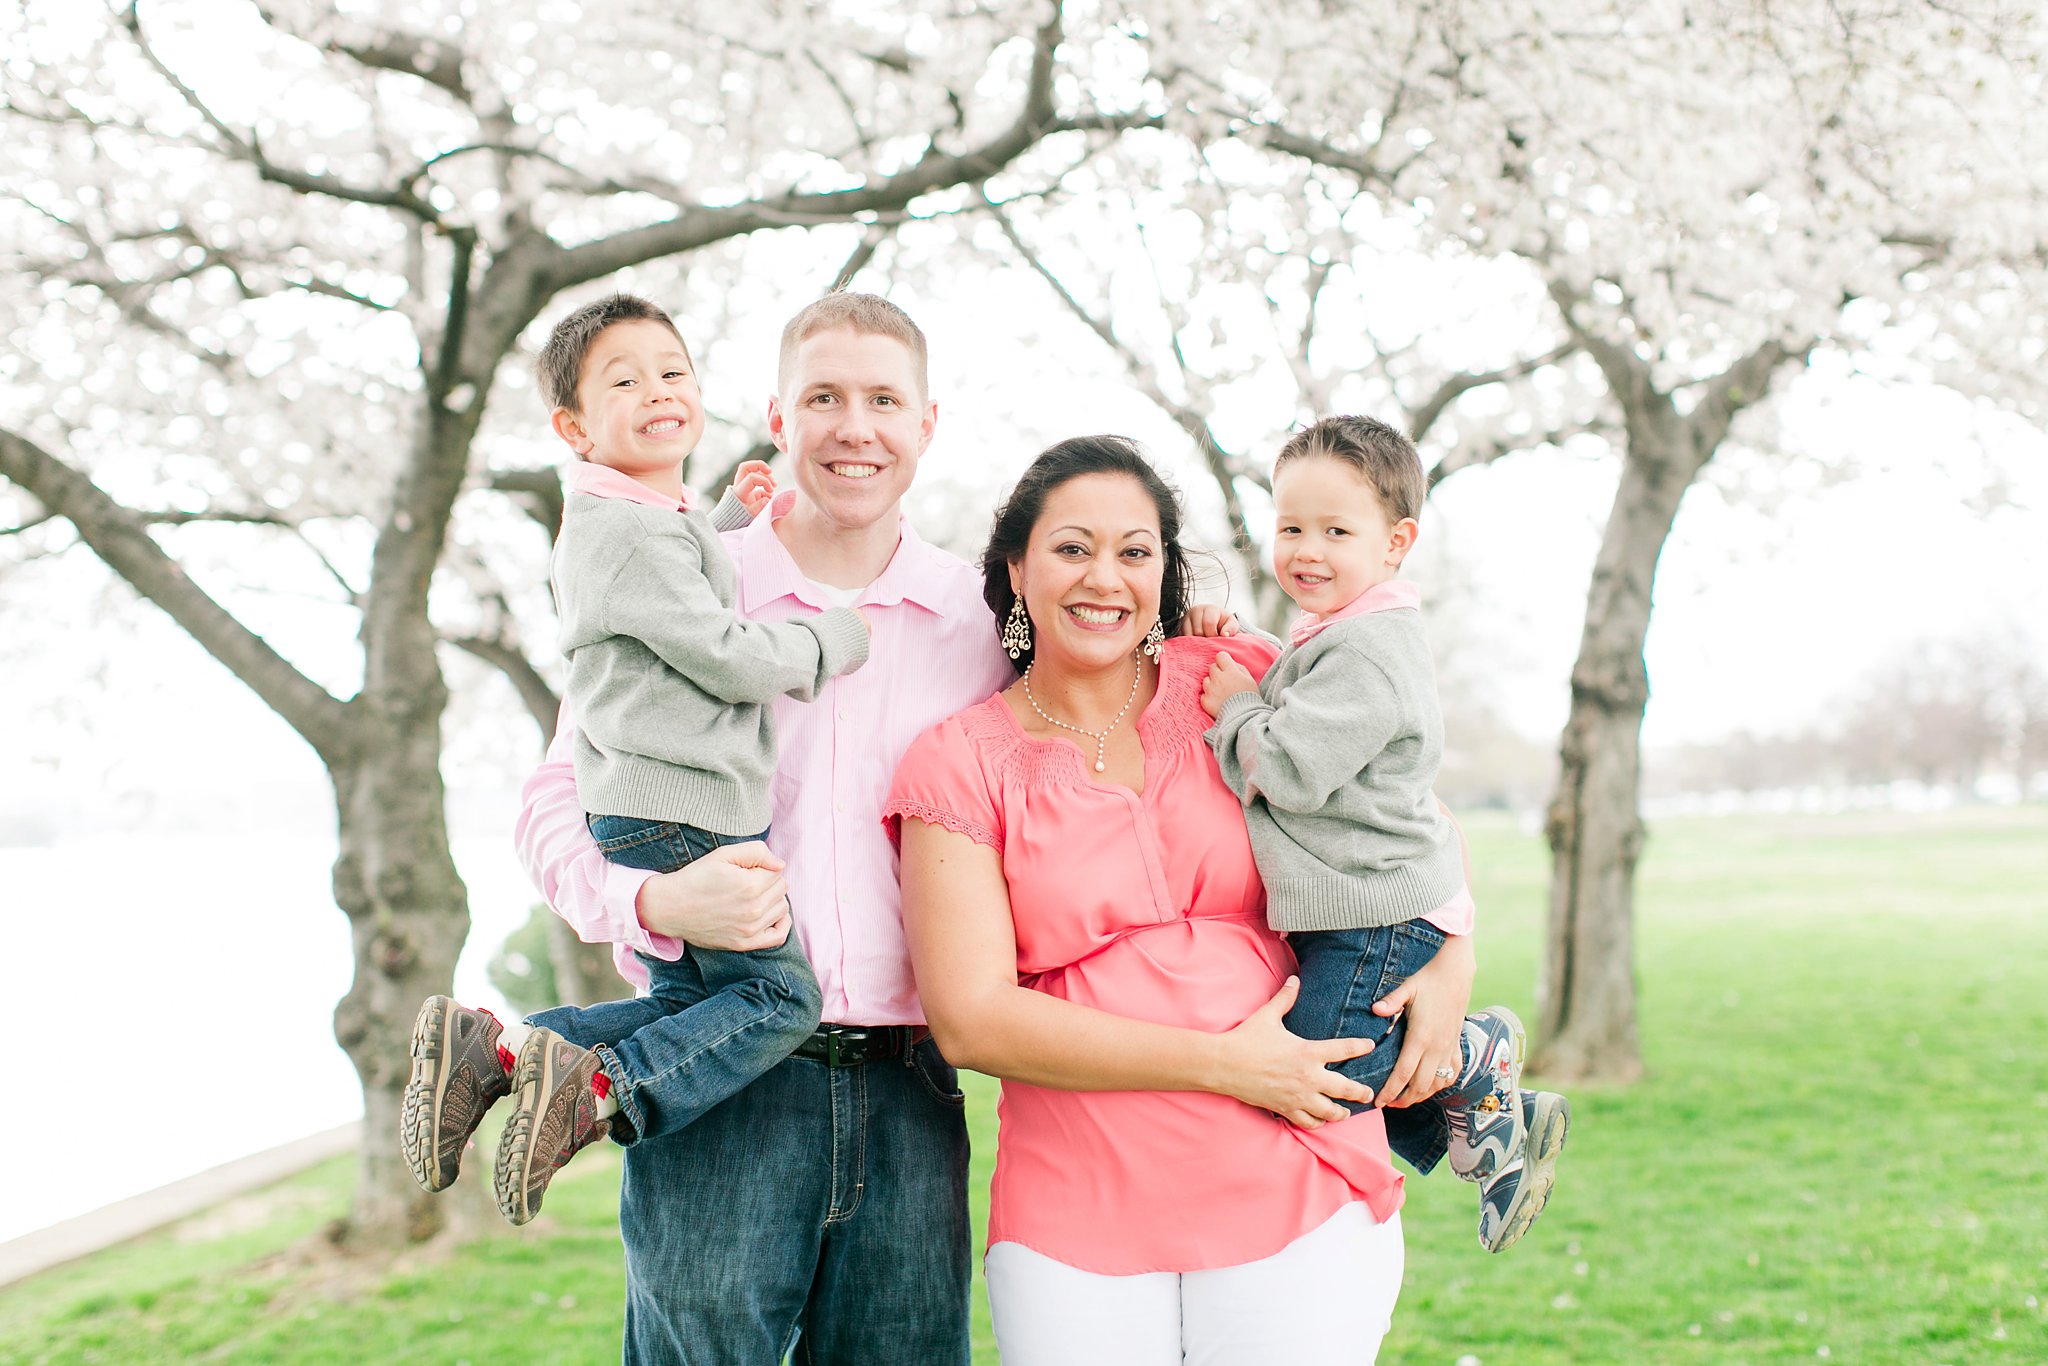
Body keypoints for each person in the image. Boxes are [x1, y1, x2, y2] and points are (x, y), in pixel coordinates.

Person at [889, 435, 1480, 1364]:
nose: (1106, 578)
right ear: (1015, 565)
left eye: (1135, 551)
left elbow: (1403, 815)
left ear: (1165, 571)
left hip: (1298, 1174)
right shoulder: (956, 762)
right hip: (1080, 1210)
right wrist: (1227, 1065)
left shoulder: (1229, 680)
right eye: (1073, 547)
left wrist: (1453, 956)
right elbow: (971, 1021)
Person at [515, 293, 1014, 1362]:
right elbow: (554, 794)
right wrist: (642, 899)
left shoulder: (980, 626)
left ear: (926, 424)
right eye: (823, 397)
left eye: (884, 399)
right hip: (721, 1080)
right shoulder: (683, 578)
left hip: (911, 1088)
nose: (854, 427)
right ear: (777, 419)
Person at [401, 293, 873, 1226]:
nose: (659, 391)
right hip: (682, 811)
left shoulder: (644, 519)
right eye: (625, 381)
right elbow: (724, 654)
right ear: (573, 427)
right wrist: (831, 639)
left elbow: (672, 597)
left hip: (665, 804)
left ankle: (496, 1050)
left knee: (689, 1001)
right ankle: (603, 1088)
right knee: (778, 1002)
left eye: (673, 371)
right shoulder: (622, 532)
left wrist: (730, 523)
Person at [1199, 414, 1570, 1253]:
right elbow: (1308, 685)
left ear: (1396, 541)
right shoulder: (1345, 633)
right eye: (1290, 527)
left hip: (1376, 911)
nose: (1307, 549)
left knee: (1318, 1079)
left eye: (1337, 530)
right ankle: (1484, 1110)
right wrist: (1250, 649)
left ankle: (1472, 1061)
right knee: (1338, 1073)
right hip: (1361, 902)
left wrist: (1234, 711)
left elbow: (1289, 767)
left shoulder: (1369, 651)